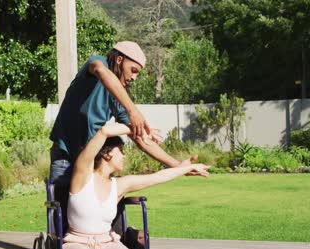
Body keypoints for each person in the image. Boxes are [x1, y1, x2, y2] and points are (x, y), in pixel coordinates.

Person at [49, 40, 207, 234]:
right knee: (62, 225)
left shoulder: (117, 99)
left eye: (138, 73)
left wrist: (177, 165)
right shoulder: (98, 64)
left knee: (101, 216)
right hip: (65, 157)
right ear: (119, 60)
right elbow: (102, 71)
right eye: (133, 70)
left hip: (92, 164)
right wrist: (133, 111)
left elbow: (141, 138)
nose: (134, 77)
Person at [63, 123, 210, 249]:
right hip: (77, 244)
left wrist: (185, 169)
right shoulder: (82, 175)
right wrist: (138, 129)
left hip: (106, 244)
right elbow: (104, 131)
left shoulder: (119, 185)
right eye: (121, 151)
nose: (124, 156)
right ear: (107, 154)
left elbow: (158, 177)